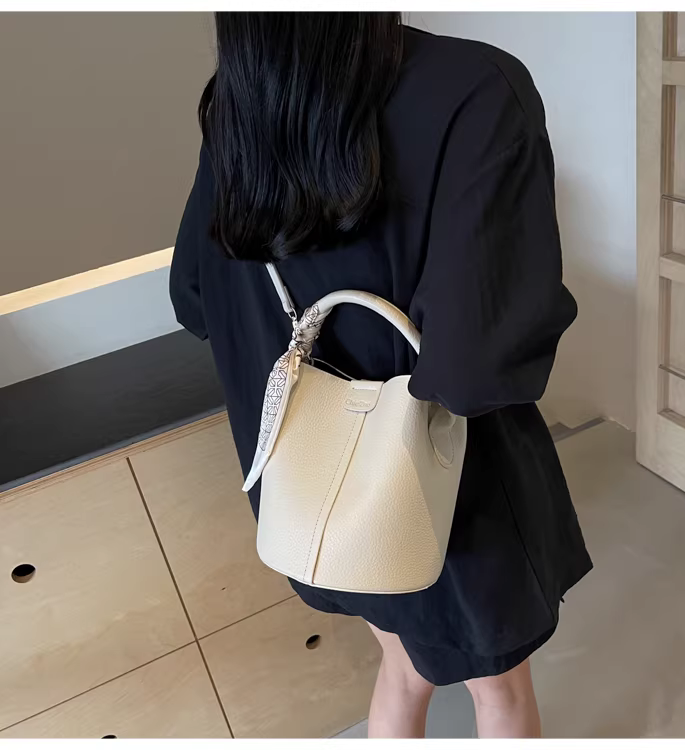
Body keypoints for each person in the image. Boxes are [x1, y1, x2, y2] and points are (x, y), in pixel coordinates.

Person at [171, 12, 592, 739]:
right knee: (500, 695)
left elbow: (194, 297)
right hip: (444, 494)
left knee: (401, 665)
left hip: (314, 499)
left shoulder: (242, 102)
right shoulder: (475, 90)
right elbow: (475, 369)